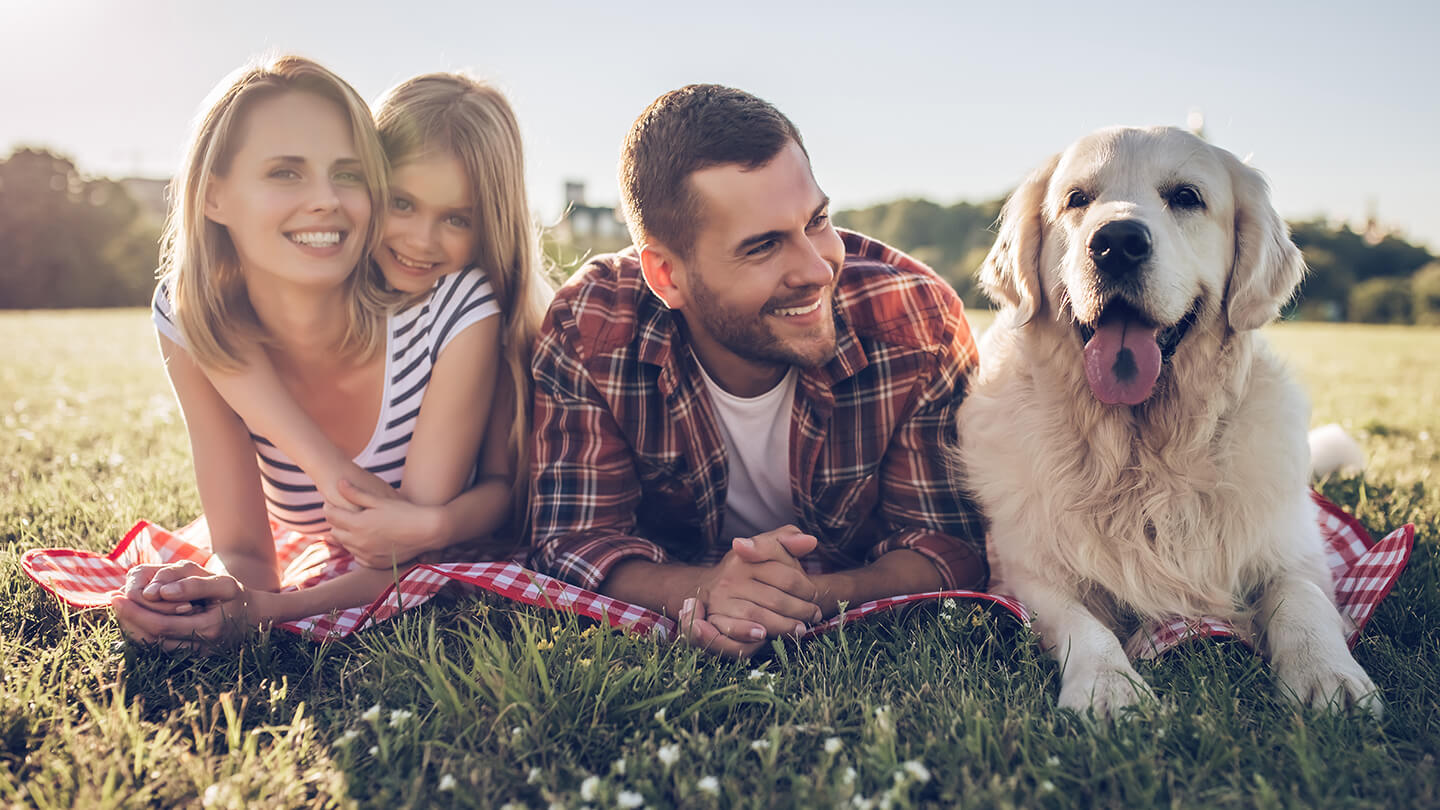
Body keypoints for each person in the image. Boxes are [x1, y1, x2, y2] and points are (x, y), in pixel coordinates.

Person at [528, 84, 987, 658]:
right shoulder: (591, 325)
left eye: (817, 220)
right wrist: (703, 590)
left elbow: (949, 544)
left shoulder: (916, 320)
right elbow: (574, 540)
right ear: (666, 275)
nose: (817, 269)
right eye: (764, 246)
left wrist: (815, 595)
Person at [111, 58, 547, 649]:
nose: (324, 201)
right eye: (286, 172)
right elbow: (242, 549)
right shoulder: (194, 319)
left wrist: (263, 610)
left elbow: (404, 552)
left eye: (345, 174)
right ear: (213, 196)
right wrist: (215, 598)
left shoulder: (452, 307)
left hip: (445, 536)